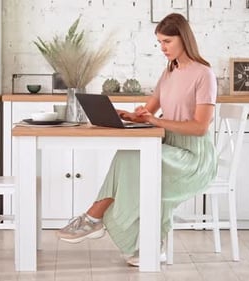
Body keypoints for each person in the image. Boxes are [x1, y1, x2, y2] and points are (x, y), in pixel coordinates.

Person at [56, 13, 218, 266]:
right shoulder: (169, 73)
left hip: (193, 158)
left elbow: (199, 127)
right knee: (129, 156)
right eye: (159, 43)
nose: (162, 48)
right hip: (168, 147)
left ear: (183, 39)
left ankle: (94, 218)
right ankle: (124, 236)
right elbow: (149, 112)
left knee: (131, 157)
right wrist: (130, 115)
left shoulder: (203, 74)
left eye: (167, 41)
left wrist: (154, 121)